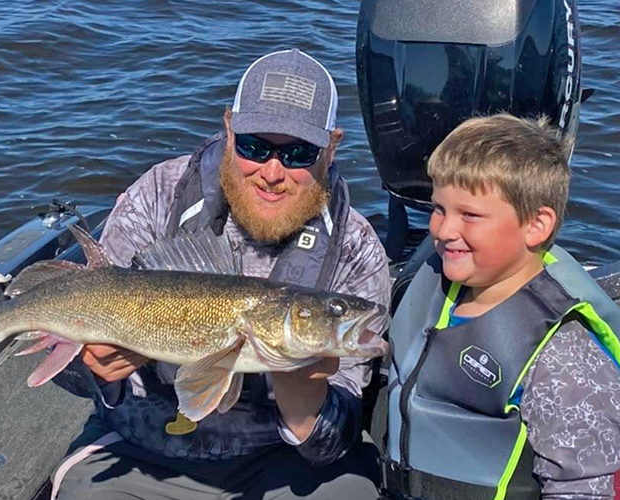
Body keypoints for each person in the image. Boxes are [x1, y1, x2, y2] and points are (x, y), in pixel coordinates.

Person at [51, 48, 391, 500]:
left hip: (280, 463)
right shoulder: (158, 196)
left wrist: (302, 389)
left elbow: (334, 442)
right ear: (229, 130)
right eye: (254, 146)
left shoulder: (356, 249)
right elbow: (68, 370)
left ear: (331, 148)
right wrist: (97, 370)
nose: (273, 172)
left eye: (298, 152)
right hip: (141, 448)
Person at [379, 114, 620, 499]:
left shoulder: (564, 358)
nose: (442, 230)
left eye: (470, 215)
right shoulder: (431, 284)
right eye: (438, 208)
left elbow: (584, 488)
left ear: (536, 225)